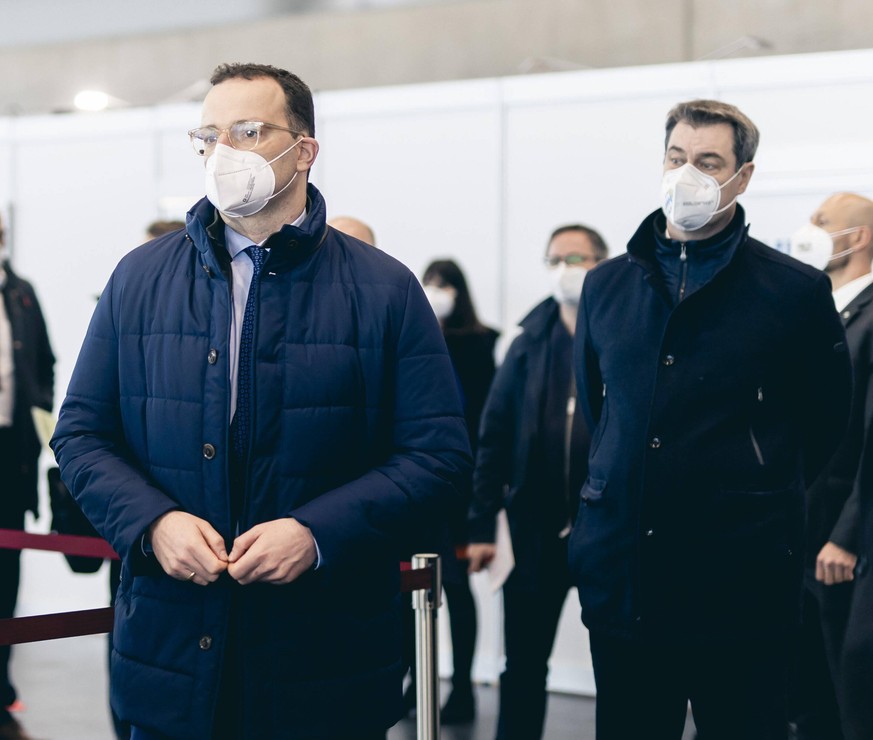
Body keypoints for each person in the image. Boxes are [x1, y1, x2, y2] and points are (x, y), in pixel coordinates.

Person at [50, 62, 471, 740]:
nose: (224, 153)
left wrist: (316, 532)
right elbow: (81, 436)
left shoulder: (384, 290)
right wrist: (154, 525)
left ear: (303, 149)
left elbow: (438, 458)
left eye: (247, 131)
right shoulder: (139, 278)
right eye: (209, 136)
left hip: (325, 658)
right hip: (171, 650)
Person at [573, 99, 852, 740]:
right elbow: (601, 409)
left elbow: (826, 423)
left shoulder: (793, 293)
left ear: (742, 176)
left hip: (741, 585)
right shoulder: (608, 285)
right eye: (677, 158)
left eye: (707, 162)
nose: (687, 175)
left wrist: (754, 485)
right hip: (625, 580)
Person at [467, 225, 608, 739]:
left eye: (577, 257)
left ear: (603, 262)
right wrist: (482, 524)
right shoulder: (526, 346)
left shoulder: (623, 335)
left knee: (620, 666)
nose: (565, 268)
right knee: (523, 663)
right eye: (555, 259)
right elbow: (493, 436)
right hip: (533, 530)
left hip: (606, 531)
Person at [787, 193, 873, 739]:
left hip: (840, 536)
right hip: (799, 523)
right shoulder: (821, 311)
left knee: (849, 692)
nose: (808, 231)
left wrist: (846, 534)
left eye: (821, 222)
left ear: (858, 237)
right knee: (806, 691)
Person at [414, 258, 499, 724]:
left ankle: (462, 686)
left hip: (460, 491)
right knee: (412, 586)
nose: (436, 290)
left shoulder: (480, 343)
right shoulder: (413, 336)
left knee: (458, 591)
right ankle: (414, 681)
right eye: (430, 282)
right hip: (417, 494)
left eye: (445, 284)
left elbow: (486, 420)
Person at [0, 216, 55, 740]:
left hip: (11, 456)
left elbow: (46, 363)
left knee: (4, 575)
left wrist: (43, 417)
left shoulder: (20, 293)